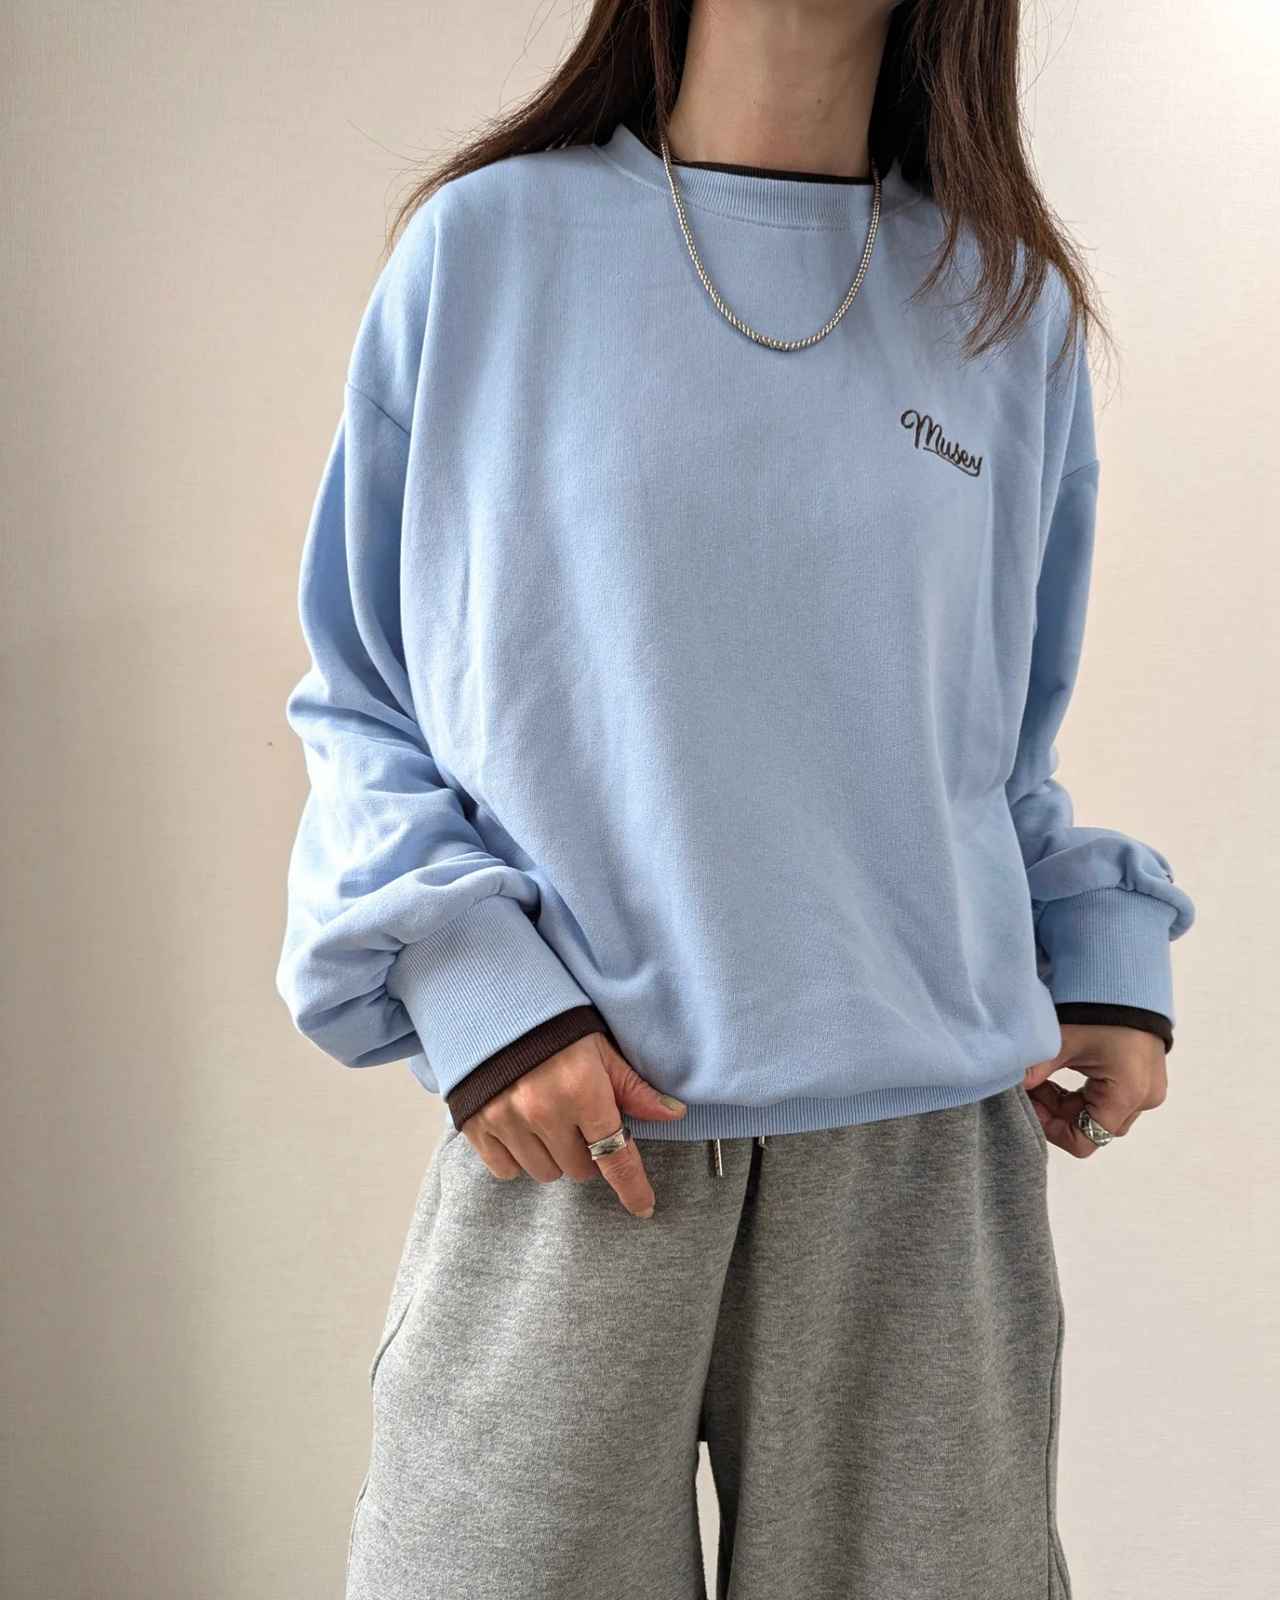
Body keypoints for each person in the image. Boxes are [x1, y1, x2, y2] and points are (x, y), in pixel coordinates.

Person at [275, 2, 1195, 1595]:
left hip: (921, 1165)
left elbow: (984, 749)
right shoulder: (489, 250)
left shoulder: (1005, 305)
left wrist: (1099, 956)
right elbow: (363, 696)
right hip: (581, 1135)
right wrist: (477, 987)